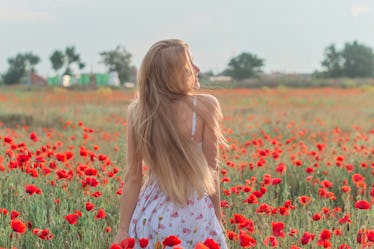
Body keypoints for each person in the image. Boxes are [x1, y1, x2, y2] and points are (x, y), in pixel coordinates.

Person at [113, 39, 227, 248]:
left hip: (150, 217)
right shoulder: (206, 106)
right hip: (193, 216)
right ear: (174, 74)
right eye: (190, 65)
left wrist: (123, 230)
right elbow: (212, 169)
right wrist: (217, 221)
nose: (197, 69)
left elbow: (133, 177)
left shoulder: (139, 111)